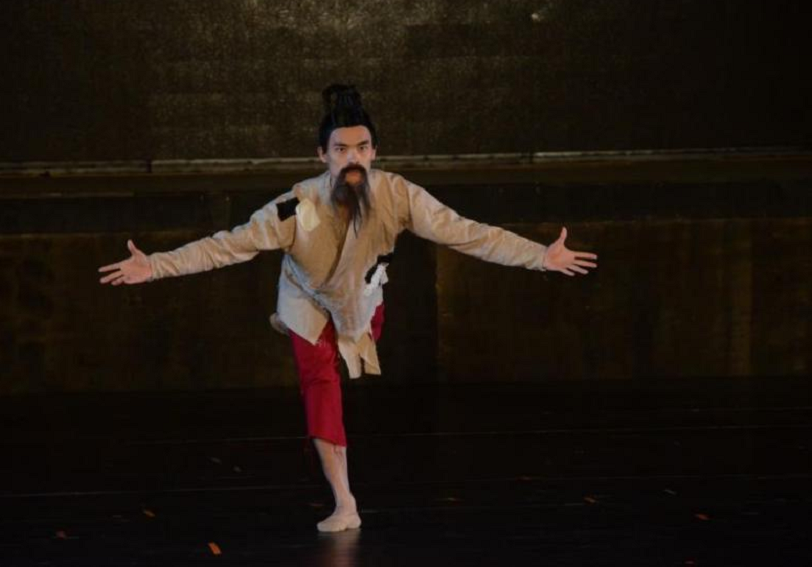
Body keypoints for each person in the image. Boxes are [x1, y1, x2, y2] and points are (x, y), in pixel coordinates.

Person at [98, 84, 598, 532]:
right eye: (341, 150)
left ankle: (346, 366)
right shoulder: (295, 206)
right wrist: (155, 265)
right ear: (322, 156)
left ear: (374, 152)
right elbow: (227, 245)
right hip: (306, 303)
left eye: (361, 148)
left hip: (362, 300)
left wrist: (539, 256)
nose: (352, 158)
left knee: (355, 345)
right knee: (321, 387)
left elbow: (468, 233)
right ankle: (345, 501)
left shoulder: (399, 195)